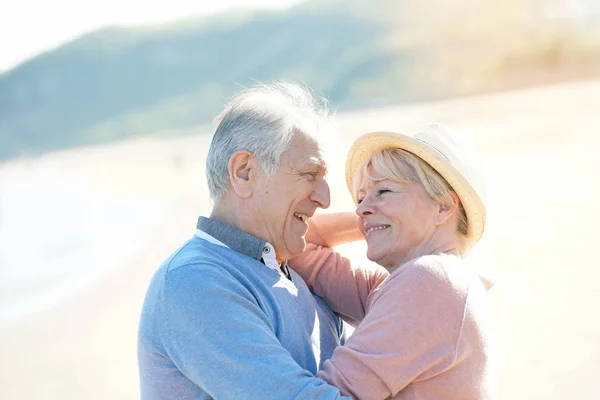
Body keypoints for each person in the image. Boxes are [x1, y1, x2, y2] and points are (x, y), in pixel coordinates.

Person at [137, 82, 356, 399]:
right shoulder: (194, 281)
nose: (325, 198)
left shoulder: (289, 273)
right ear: (244, 172)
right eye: (309, 174)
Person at [289, 123, 494, 399]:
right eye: (361, 198)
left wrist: (383, 219)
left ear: (444, 206)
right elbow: (298, 244)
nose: (361, 209)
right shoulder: (432, 284)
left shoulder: (430, 281)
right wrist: (378, 218)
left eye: (384, 191)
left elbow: (328, 395)